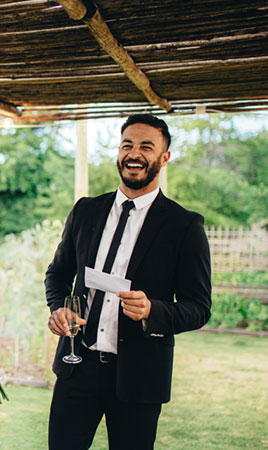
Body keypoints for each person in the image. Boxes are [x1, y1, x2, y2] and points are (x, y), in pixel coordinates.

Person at [45, 114, 212, 449]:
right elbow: (58, 275)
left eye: (146, 147)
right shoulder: (86, 211)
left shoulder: (185, 226)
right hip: (78, 368)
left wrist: (153, 311)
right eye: (127, 145)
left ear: (164, 158)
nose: (134, 154)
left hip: (140, 378)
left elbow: (199, 308)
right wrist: (60, 309)